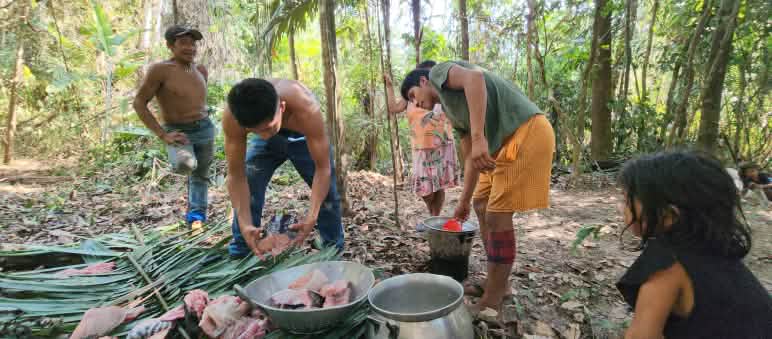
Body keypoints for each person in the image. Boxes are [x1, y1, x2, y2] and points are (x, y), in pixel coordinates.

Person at [400, 61, 555, 312]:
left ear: (423, 82)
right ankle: (498, 283)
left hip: (527, 131)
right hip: (501, 146)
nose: (415, 104)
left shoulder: (437, 72)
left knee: (497, 215)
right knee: (481, 205)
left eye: (412, 96)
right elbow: (472, 157)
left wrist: (480, 136)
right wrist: (462, 202)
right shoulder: (451, 112)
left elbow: (475, 79)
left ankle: (492, 300)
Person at [616, 151, 772, 338]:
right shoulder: (718, 250)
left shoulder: (667, 265)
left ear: (669, 214)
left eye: (626, 200)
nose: (621, 207)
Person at [222, 78, 344, 258]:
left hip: (302, 135)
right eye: (255, 131)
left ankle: (332, 249)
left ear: (282, 108)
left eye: (267, 129)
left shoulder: (305, 106)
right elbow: (236, 175)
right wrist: (244, 222)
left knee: (328, 194)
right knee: (251, 178)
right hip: (266, 124)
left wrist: (311, 217)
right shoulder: (235, 116)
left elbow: (323, 169)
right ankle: (243, 249)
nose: (263, 137)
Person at [133, 25, 213, 226]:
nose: (190, 48)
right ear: (170, 45)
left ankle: (196, 217)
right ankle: (193, 208)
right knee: (185, 165)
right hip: (178, 131)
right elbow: (139, 103)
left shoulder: (200, 70)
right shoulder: (160, 70)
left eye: (193, 43)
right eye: (183, 43)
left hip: (204, 128)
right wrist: (162, 135)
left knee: (201, 175)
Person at [384, 60, 458, 217]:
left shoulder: (441, 91)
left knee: (439, 185)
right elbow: (394, 108)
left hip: (442, 145)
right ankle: (432, 213)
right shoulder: (412, 94)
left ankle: (434, 218)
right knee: (425, 190)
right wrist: (389, 86)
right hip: (421, 147)